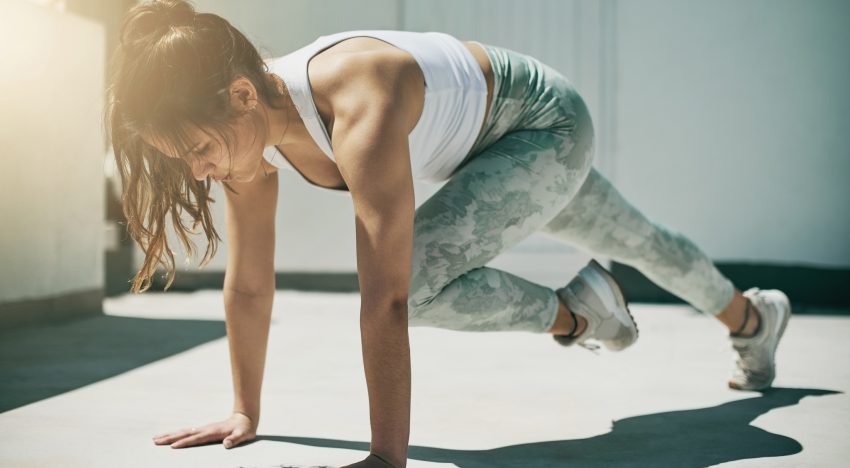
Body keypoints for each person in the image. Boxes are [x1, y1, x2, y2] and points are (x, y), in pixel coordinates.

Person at [104, 1, 792, 467]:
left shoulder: (356, 102)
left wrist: (385, 458)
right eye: (184, 161)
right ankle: (754, 320)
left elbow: (389, 299)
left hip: (544, 126)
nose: (198, 173)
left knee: (422, 281)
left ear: (243, 96)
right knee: (639, 238)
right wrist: (243, 410)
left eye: (197, 150)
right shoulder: (245, 144)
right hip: (488, 158)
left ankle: (581, 314)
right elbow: (251, 285)